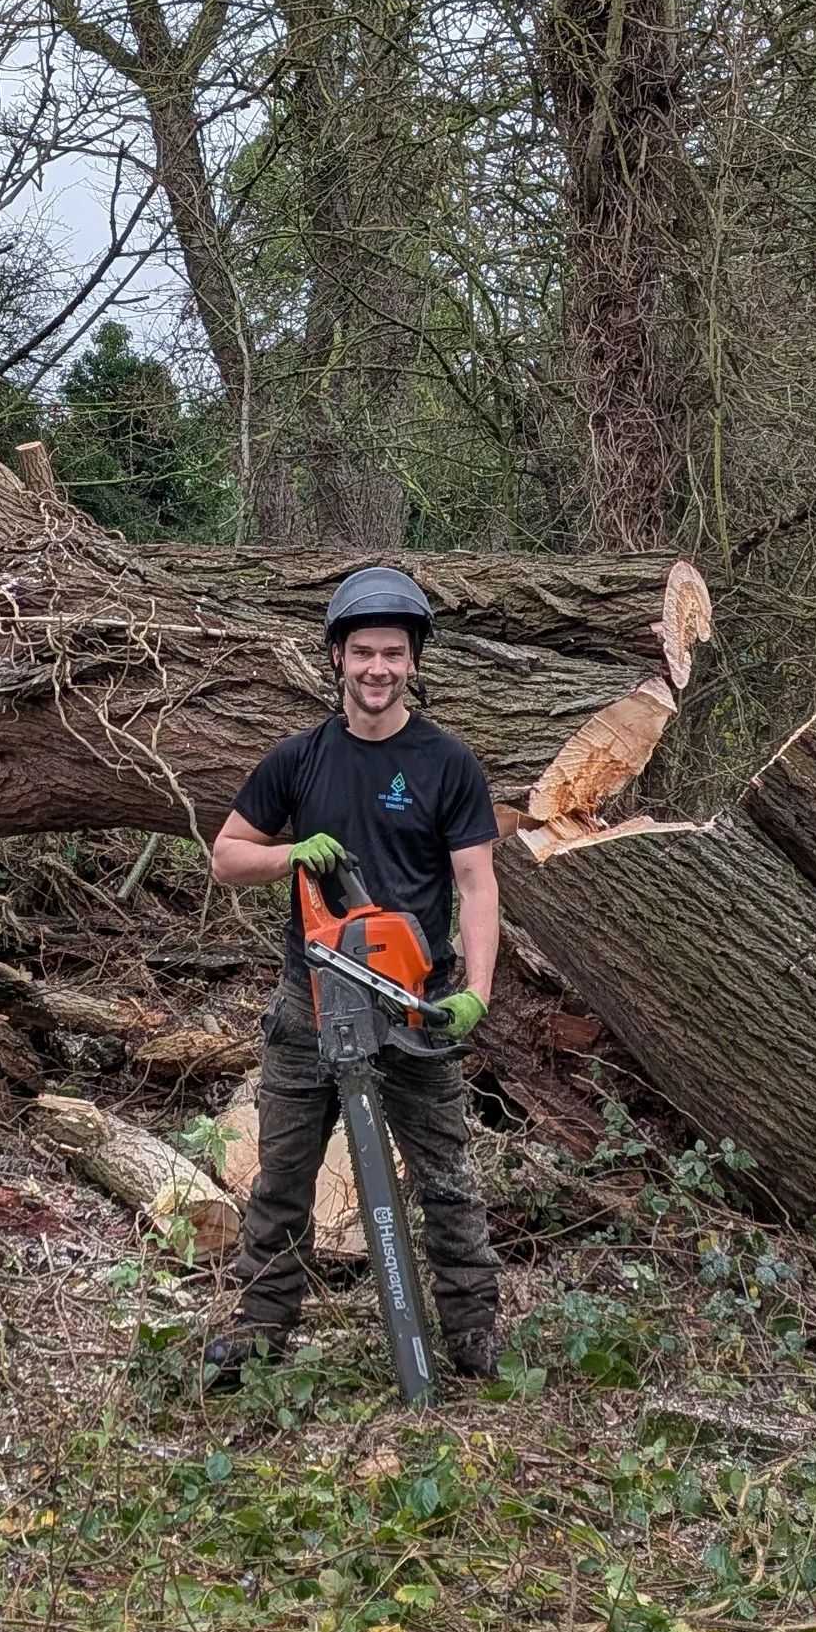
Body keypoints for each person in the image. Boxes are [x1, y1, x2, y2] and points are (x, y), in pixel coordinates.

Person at [203, 565, 503, 1388]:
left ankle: (474, 1332)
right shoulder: (298, 759)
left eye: (394, 654)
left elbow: (477, 884)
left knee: (446, 1175)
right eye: (364, 652)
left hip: (415, 998)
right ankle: (261, 1329)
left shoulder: (447, 763)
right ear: (336, 657)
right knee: (284, 1173)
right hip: (312, 998)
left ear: (413, 662)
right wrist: (286, 854)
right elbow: (226, 855)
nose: (378, 668)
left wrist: (474, 988)